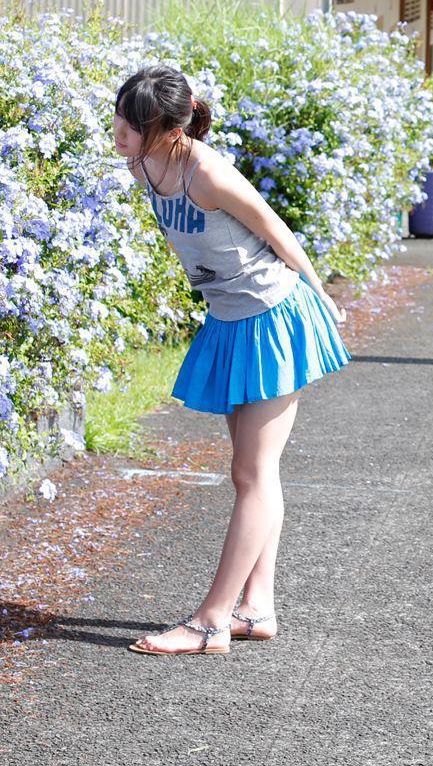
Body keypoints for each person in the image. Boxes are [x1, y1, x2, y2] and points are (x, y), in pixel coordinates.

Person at [113, 65, 349, 656]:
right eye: (119, 114)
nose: (119, 129)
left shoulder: (209, 173)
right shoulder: (141, 164)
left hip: (273, 316)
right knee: (254, 474)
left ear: (168, 128)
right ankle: (256, 608)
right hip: (228, 319)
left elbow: (274, 228)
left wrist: (320, 293)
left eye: (133, 122)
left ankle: (211, 621)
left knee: (251, 474)